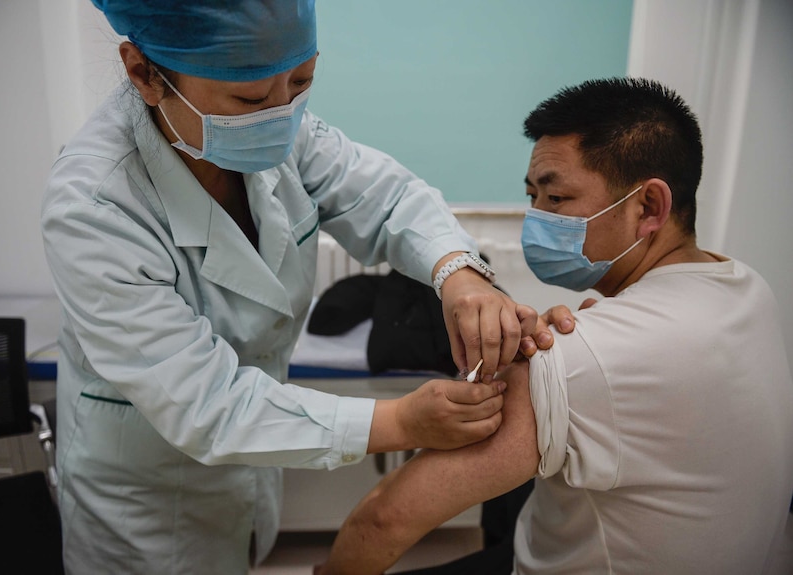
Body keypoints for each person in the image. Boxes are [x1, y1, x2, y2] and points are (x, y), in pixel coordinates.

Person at [40, 1, 563, 573]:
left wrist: (459, 275)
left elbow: (385, 198)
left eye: (303, 81)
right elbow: (206, 404)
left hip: (243, 484)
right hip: (142, 503)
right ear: (144, 73)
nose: (283, 113)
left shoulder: (281, 128)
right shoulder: (95, 205)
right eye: (251, 98)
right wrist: (401, 424)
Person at [317, 77, 793, 575]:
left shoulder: (581, 357)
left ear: (648, 207)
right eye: (531, 198)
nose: (536, 219)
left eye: (556, 199)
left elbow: (384, 520)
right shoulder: (747, 287)